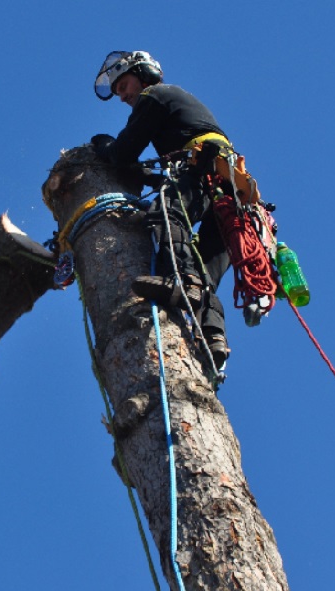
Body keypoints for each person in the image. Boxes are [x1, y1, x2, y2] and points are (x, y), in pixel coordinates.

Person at [90, 50, 234, 368]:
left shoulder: (155, 95)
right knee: (206, 265)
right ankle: (212, 336)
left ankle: (183, 281)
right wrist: (145, 174)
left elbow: (125, 150)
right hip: (230, 188)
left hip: (203, 167)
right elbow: (149, 167)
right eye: (117, 91)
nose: (123, 95)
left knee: (167, 211)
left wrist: (103, 146)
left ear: (143, 75)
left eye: (124, 85)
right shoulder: (177, 109)